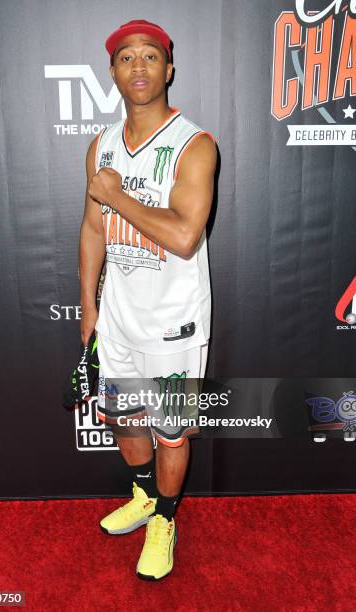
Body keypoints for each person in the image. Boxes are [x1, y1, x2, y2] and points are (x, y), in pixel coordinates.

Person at [79, 19, 217, 580]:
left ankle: (165, 519)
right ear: (112, 71)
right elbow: (92, 228)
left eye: (150, 57)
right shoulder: (102, 145)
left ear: (169, 69)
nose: (138, 66)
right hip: (116, 320)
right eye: (127, 58)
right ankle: (143, 497)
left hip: (174, 326)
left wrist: (116, 194)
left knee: (171, 430)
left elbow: (185, 236)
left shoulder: (196, 144)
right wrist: (88, 306)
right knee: (124, 420)